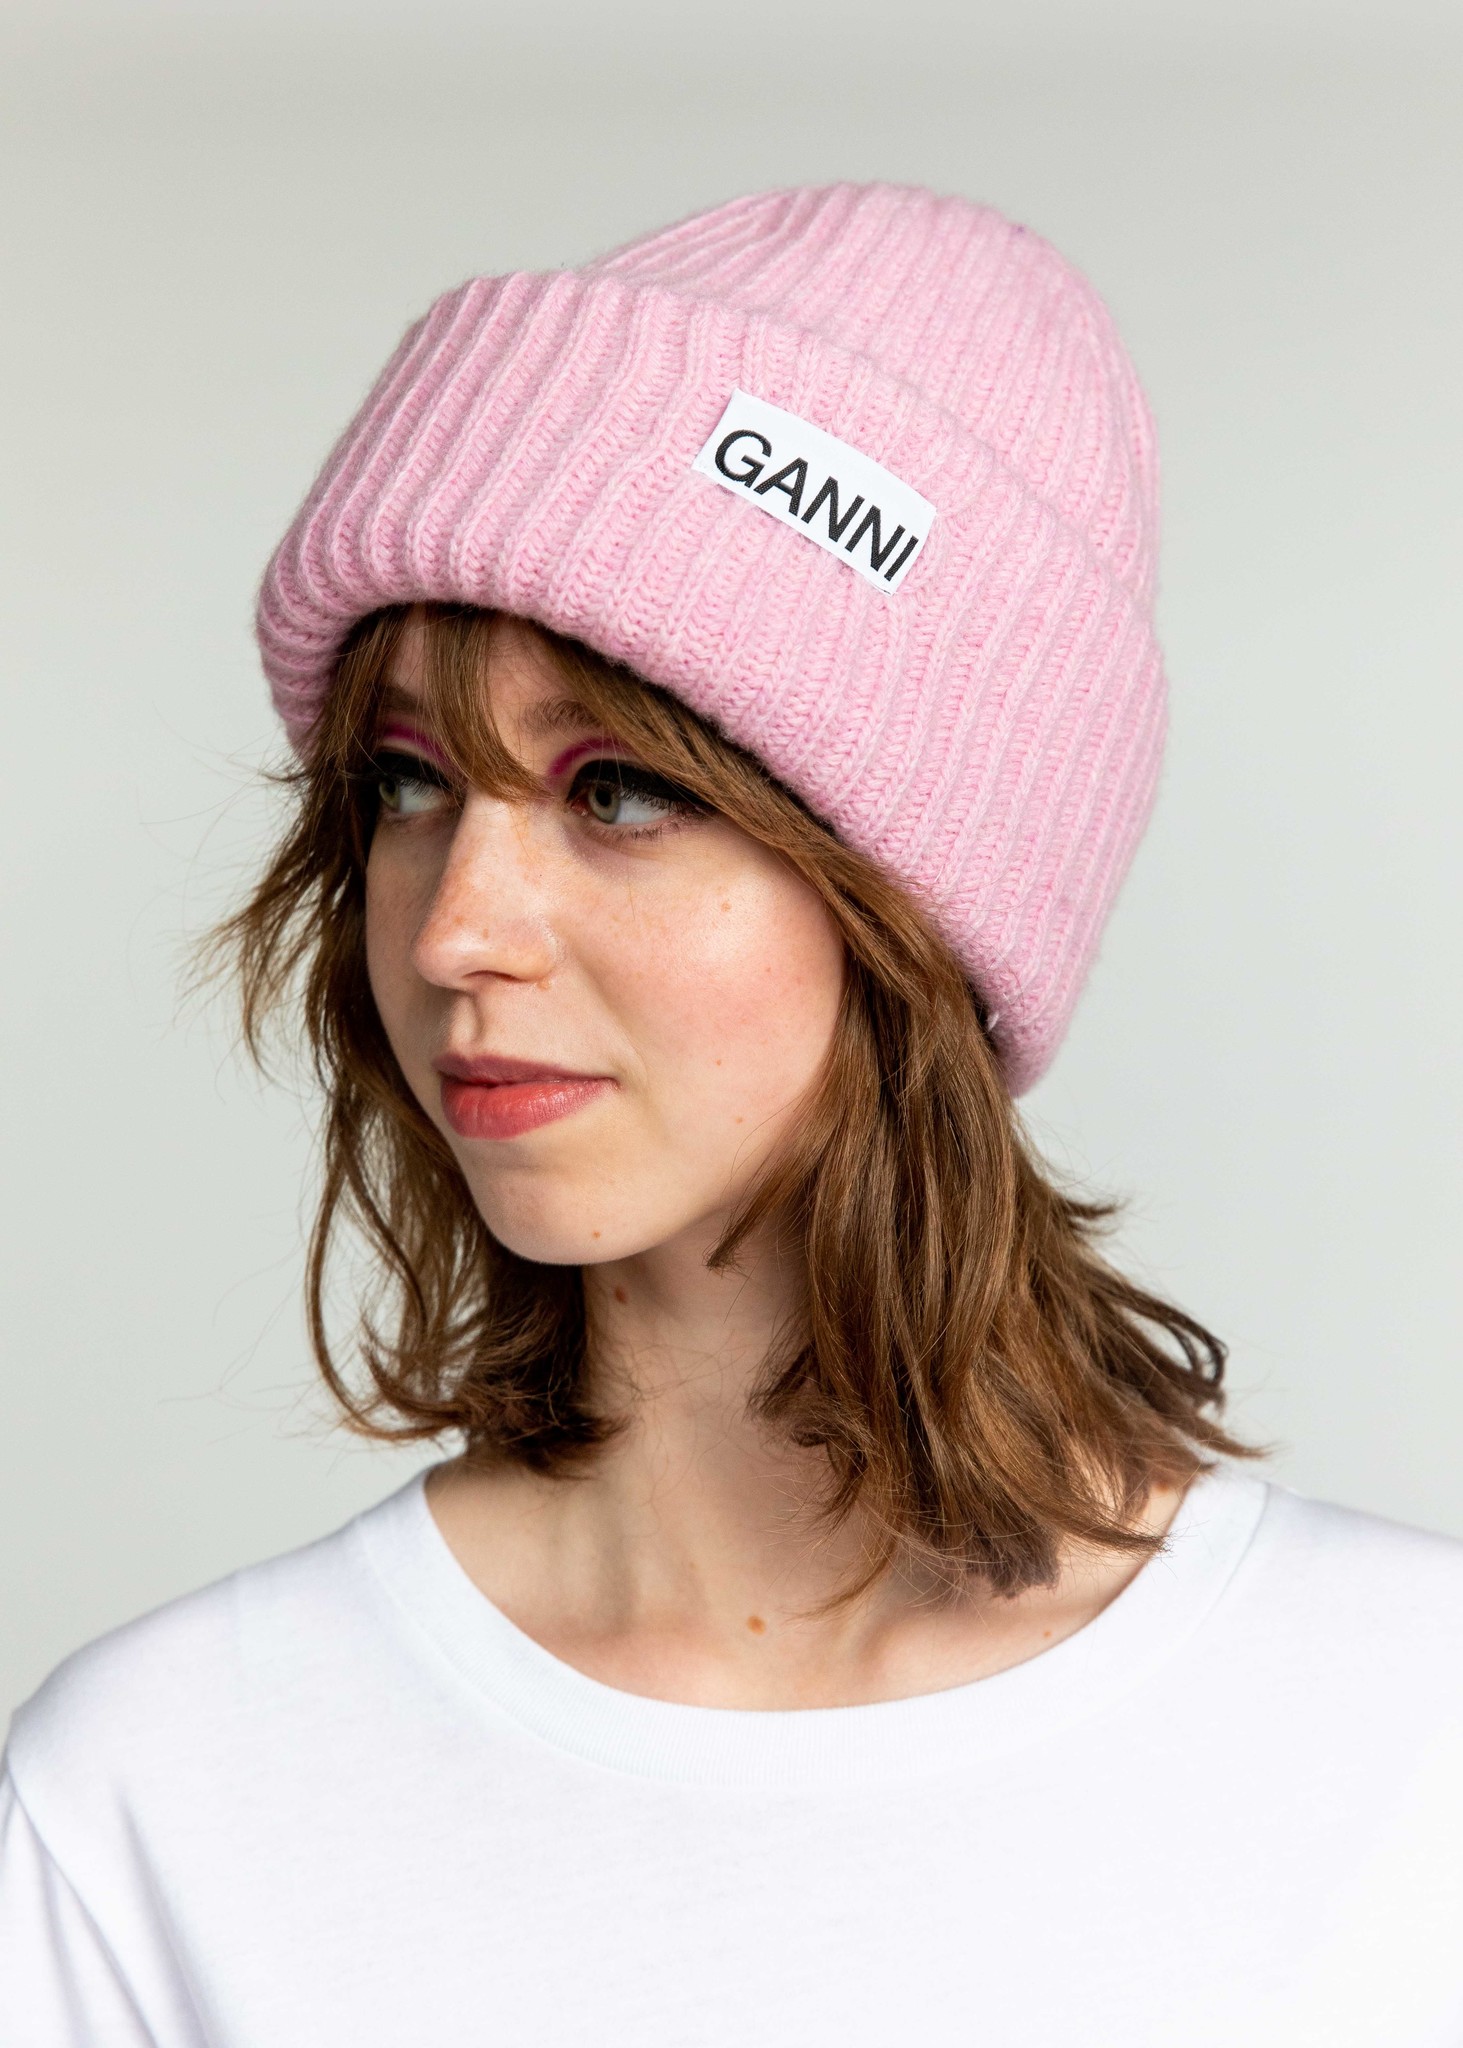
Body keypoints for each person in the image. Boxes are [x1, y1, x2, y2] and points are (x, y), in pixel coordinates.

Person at [2, 181, 1459, 2047]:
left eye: (617, 790)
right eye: (407, 783)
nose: (452, 930)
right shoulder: (156, 1802)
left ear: (921, 912)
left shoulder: (1411, 1747)